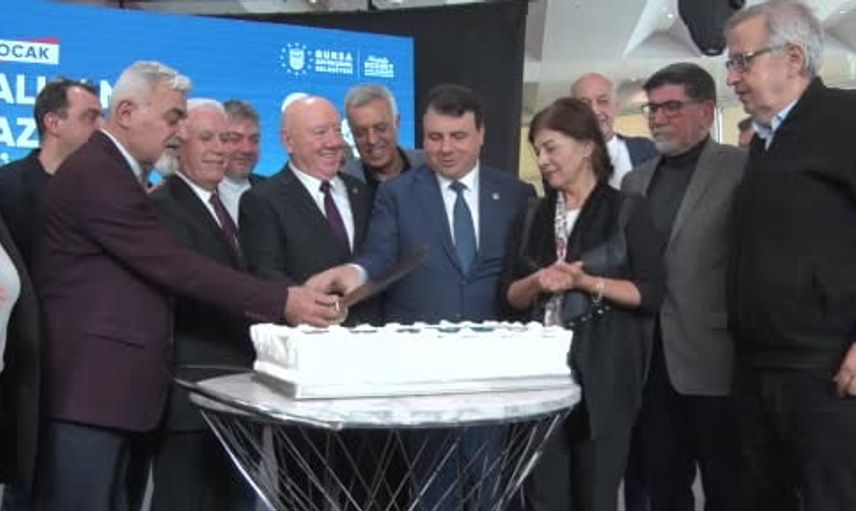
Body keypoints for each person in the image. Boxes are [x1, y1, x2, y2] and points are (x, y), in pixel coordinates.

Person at [31, 60, 343, 511]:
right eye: (173, 118)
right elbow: (174, 265)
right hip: (90, 395)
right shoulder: (98, 173)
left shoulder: (115, 171)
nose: (179, 133)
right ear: (126, 113)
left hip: (111, 395)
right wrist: (283, 299)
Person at [308, 84, 535, 510]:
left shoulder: (516, 195)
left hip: (494, 371)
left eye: (458, 136)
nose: (445, 149)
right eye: (435, 137)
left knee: (491, 487)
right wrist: (350, 274)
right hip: (426, 370)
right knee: (434, 489)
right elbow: (378, 256)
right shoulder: (398, 193)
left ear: (481, 134)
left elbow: (526, 273)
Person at [502, 97, 663, 511]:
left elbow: (649, 294)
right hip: (543, 379)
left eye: (551, 148)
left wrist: (585, 282)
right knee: (545, 496)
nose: (542, 160)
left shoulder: (628, 209)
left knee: (596, 495)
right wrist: (538, 280)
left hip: (606, 377)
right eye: (537, 150)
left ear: (587, 146)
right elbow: (510, 295)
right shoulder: (531, 214)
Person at [725, 2, 856, 509]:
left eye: (743, 61)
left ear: (794, 58)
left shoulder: (845, 120)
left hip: (826, 374)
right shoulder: (764, 143)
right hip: (758, 371)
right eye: (731, 64)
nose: (732, 77)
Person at [623, 63, 745, 511]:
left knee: (728, 488)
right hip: (650, 365)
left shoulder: (741, 168)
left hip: (716, 359)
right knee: (664, 488)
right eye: (652, 109)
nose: (658, 118)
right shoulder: (635, 181)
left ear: (707, 111)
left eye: (671, 107)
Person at [148, 99, 255, 510]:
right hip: (191, 400)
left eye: (224, 138)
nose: (220, 149)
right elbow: (196, 289)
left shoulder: (225, 205)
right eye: (207, 138)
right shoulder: (162, 207)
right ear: (179, 144)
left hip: (235, 398)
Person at [240, 95, 379, 323]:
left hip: (372, 333)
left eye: (337, 131)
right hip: (308, 335)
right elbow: (266, 276)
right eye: (320, 133)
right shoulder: (262, 200)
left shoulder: (361, 191)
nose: (334, 142)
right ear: (288, 141)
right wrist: (314, 305)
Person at [0, 78, 102, 268]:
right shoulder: (6, 187)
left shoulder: (109, 191)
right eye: (90, 117)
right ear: (53, 123)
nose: (101, 127)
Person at [571, 73, 658, 189]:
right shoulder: (562, 159)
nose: (595, 111)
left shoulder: (647, 150)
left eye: (603, 101)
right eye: (585, 103)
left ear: (616, 106)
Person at [341, 83, 425, 200]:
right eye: (361, 133)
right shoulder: (341, 183)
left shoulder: (430, 165)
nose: (372, 140)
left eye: (380, 128)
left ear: (397, 123)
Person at [218, 99, 266, 225]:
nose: (247, 149)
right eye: (235, 139)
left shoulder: (276, 193)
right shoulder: (194, 193)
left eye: (254, 140)